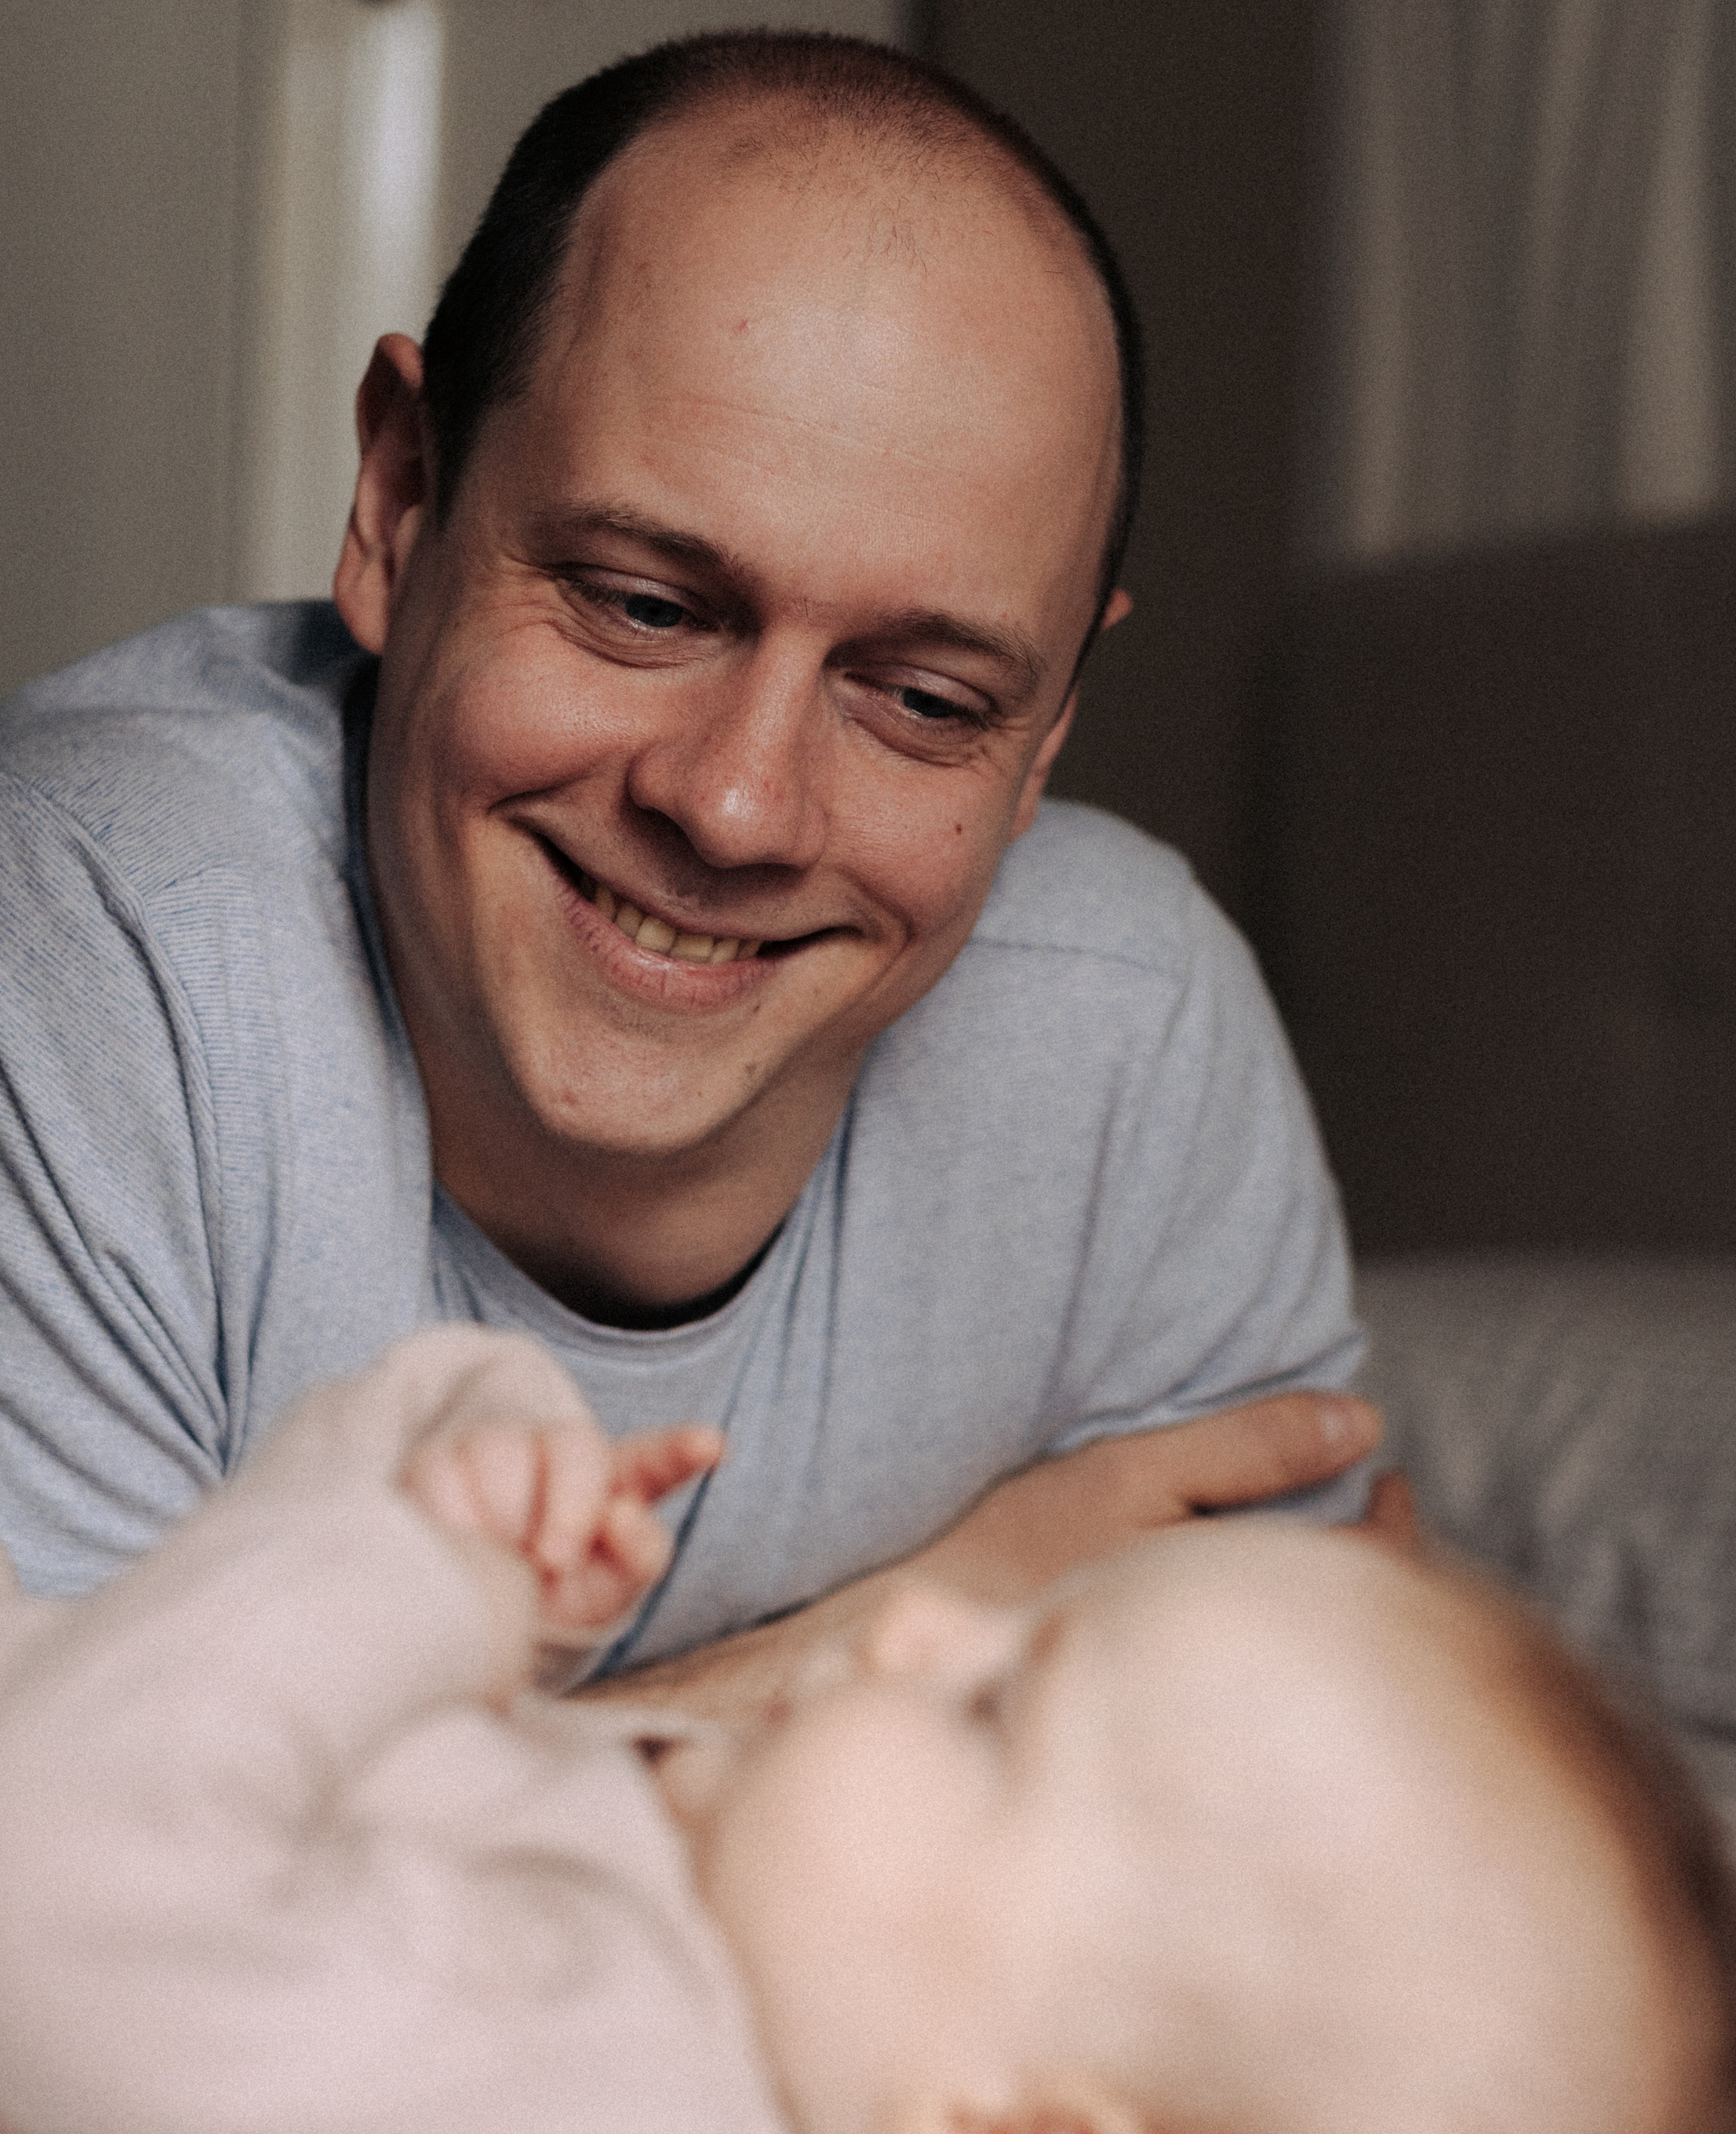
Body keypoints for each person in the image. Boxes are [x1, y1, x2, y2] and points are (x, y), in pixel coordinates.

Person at [0, 31, 1381, 1708]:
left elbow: (1310, 1778)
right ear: (400, 500)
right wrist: (905, 1638)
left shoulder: (1126, 1032)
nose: (732, 806)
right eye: (642, 604)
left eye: (926, 700)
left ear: (1049, 731)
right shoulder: (94, 944)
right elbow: (81, 1907)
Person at [0, 1331, 1736, 2134]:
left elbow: (71, 1865)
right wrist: (479, 1472)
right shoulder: (707, 1945)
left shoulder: (583, 2121)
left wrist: (419, 1584)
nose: (919, 1623)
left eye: (993, 1712)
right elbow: (232, 1664)